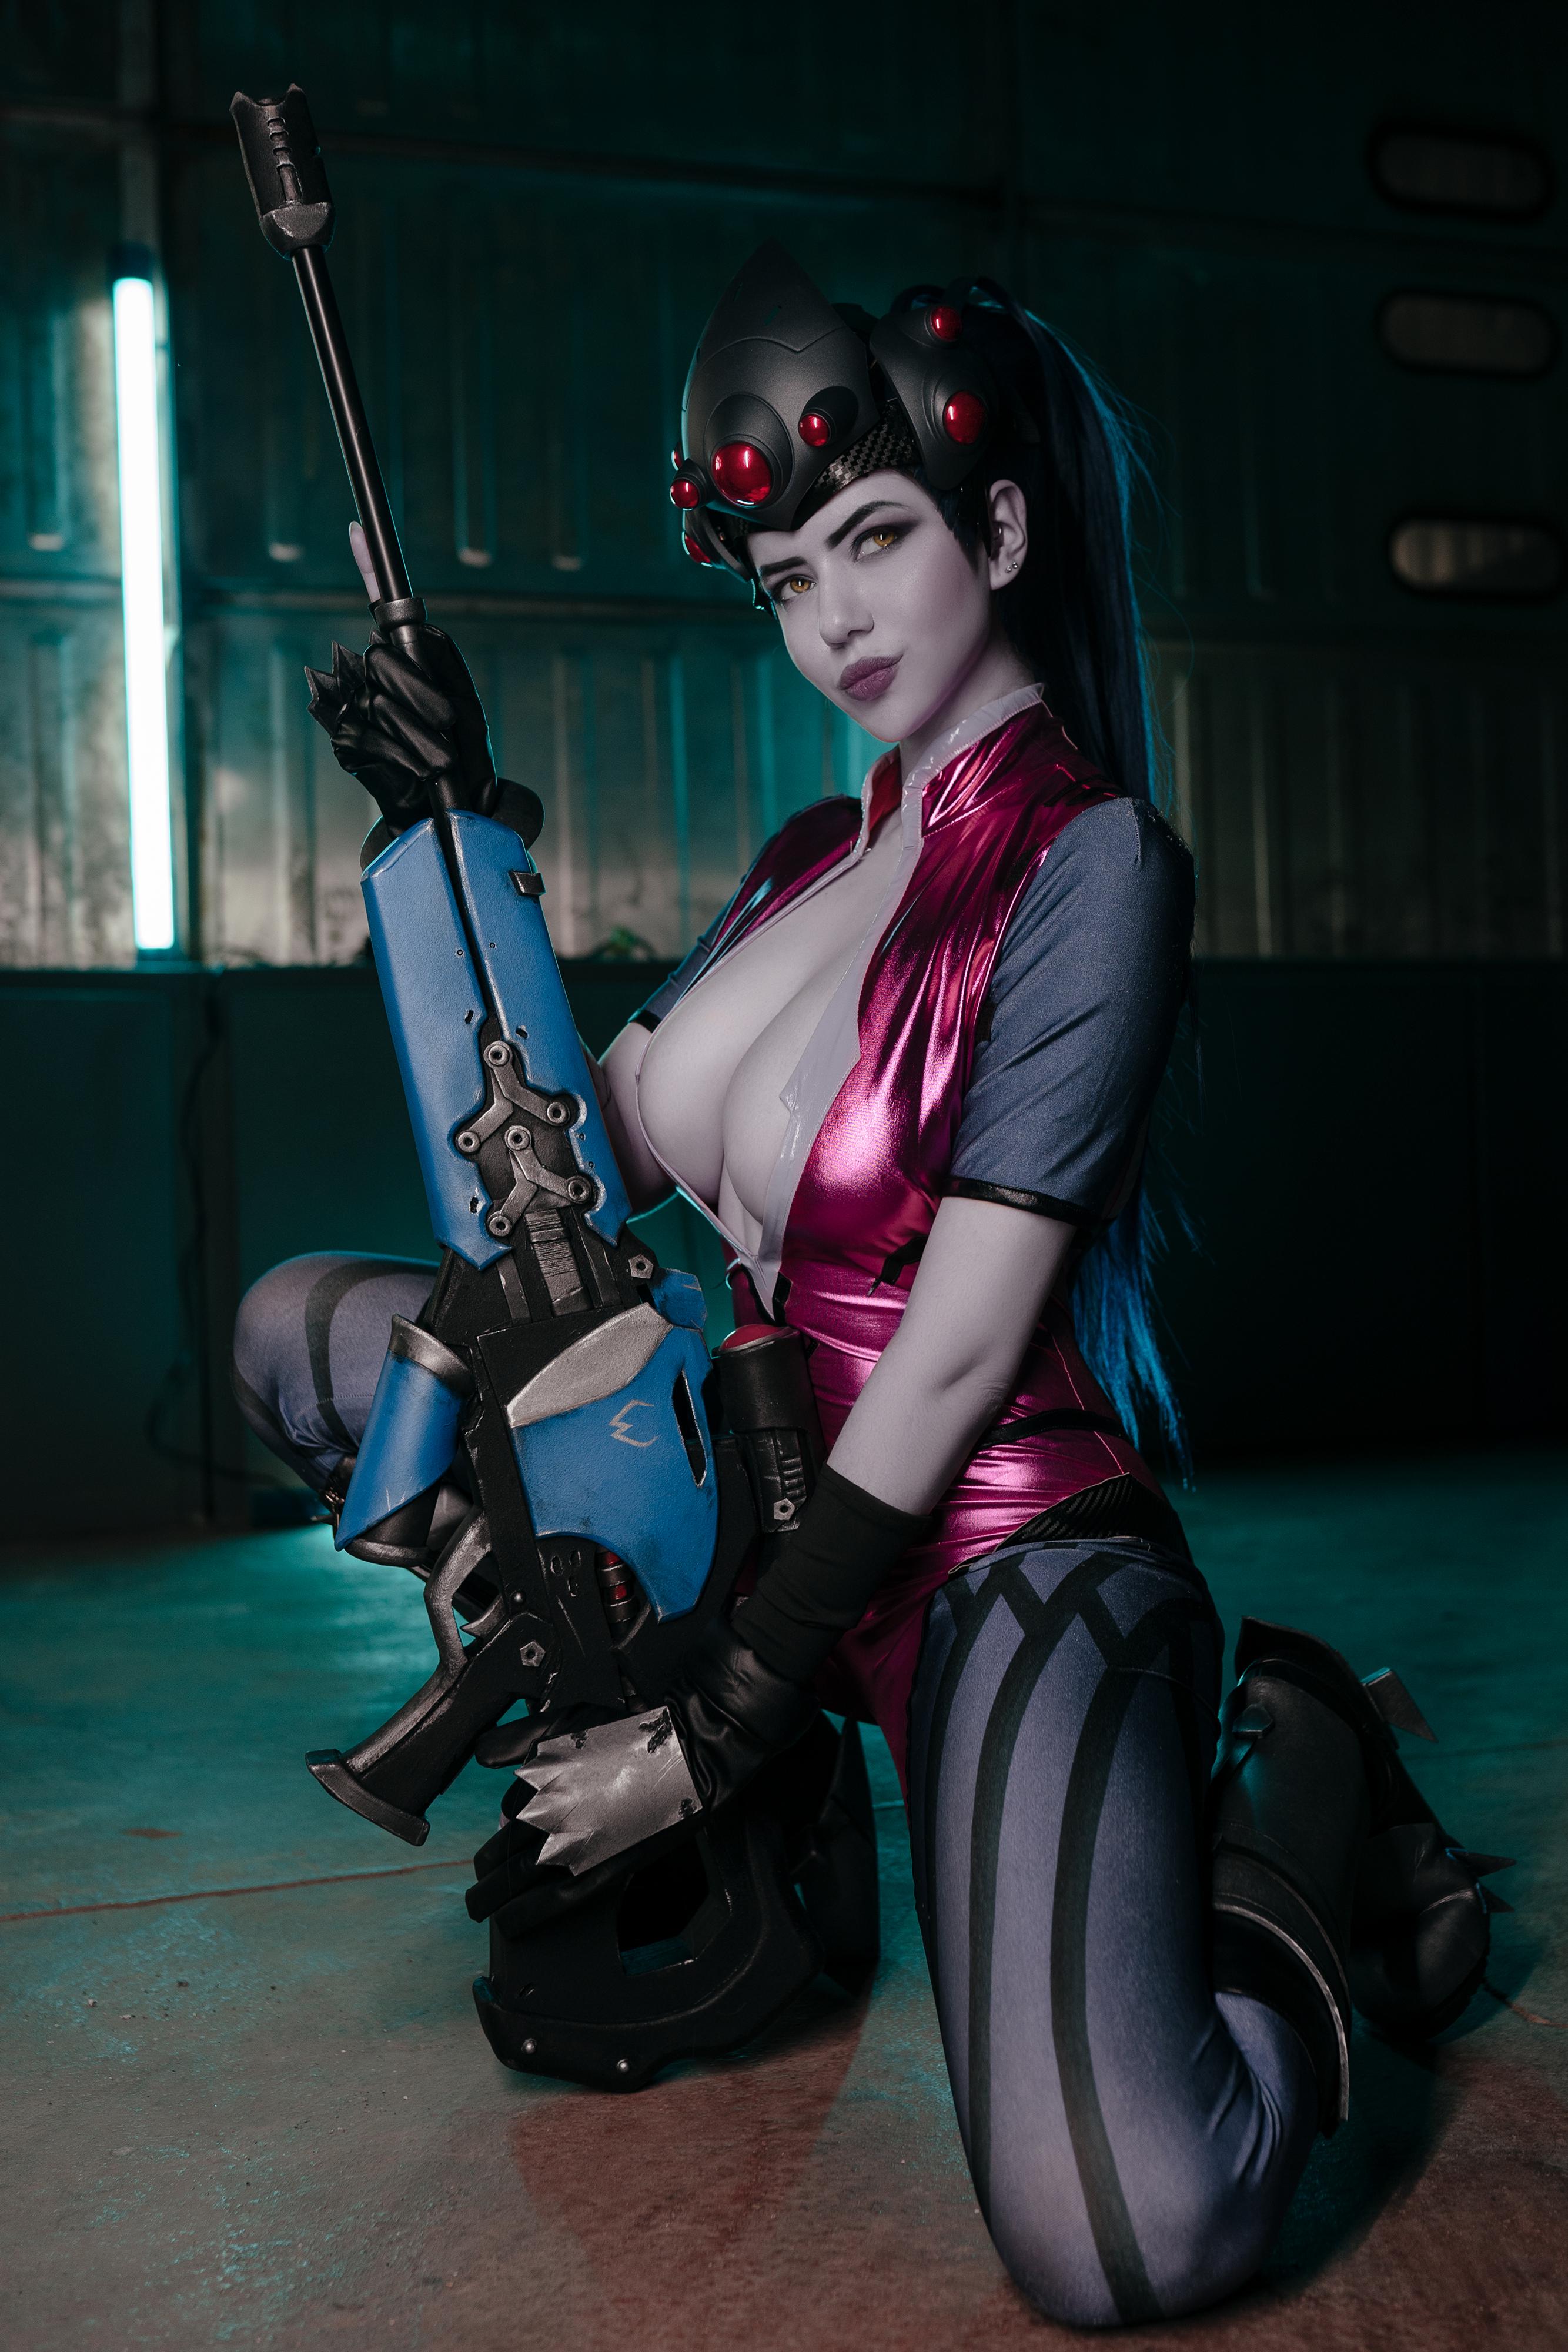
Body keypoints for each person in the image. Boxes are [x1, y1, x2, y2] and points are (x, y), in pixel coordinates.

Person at [235, 245, 1504, 2326]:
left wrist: (717, 1724)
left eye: (875, 540)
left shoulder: (1091, 862)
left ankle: (1300, 1767)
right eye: (783, 579)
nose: (831, 616)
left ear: (996, 531)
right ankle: (769, 1846)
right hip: (736, 1494)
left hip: (985, 1550)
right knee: (307, 1335)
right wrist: (453, 831)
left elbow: (960, 1351)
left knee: (1127, 2231)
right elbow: (552, 1181)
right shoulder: (804, 860)